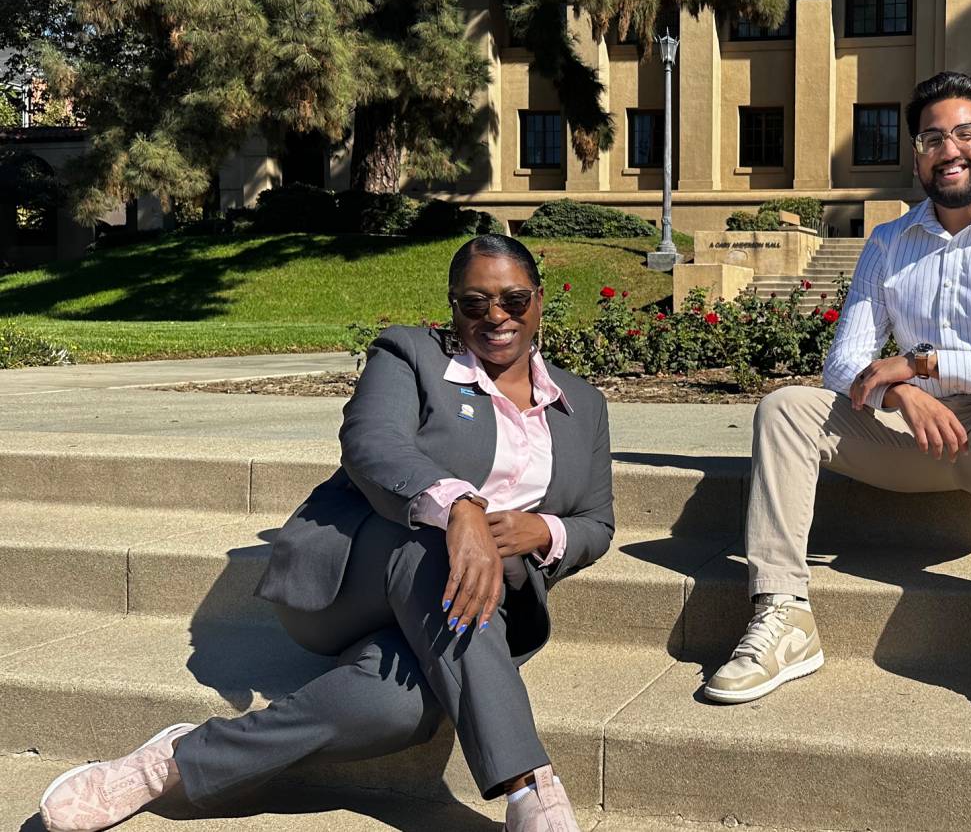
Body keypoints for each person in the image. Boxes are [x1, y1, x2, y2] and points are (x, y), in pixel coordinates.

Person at [39, 234, 614, 832]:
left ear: (540, 301)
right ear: (453, 306)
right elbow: (372, 444)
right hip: (352, 581)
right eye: (475, 303)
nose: (496, 317)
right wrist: (462, 507)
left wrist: (539, 530)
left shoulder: (583, 405)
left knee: (398, 708)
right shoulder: (410, 356)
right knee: (435, 545)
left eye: (514, 300)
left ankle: (171, 763)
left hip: (460, 612)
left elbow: (596, 525)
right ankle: (531, 790)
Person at [702, 71, 971, 732]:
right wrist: (904, 392)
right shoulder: (888, 242)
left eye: (965, 132)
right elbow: (844, 362)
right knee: (786, 408)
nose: (949, 148)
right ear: (917, 155)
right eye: (933, 137)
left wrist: (927, 363)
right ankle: (784, 614)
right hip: (908, 441)